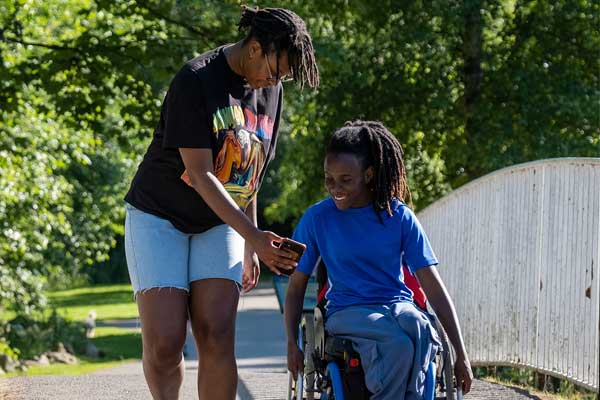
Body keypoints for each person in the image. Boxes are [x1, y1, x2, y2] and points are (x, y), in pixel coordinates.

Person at [123, 6, 319, 400]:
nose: (276, 81)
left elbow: (251, 171)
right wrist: (254, 236)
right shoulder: (196, 80)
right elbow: (200, 174)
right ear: (255, 48)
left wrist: (250, 245)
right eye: (277, 70)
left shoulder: (271, 93)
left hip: (219, 223)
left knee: (217, 330)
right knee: (166, 341)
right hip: (159, 216)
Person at [285, 121, 473, 400]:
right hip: (347, 309)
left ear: (369, 174)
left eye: (346, 180)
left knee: (420, 326)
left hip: (397, 303)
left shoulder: (399, 216)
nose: (335, 187)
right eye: (329, 178)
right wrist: (291, 342)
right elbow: (296, 285)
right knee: (397, 344)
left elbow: (433, 286)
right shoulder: (317, 218)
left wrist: (462, 354)